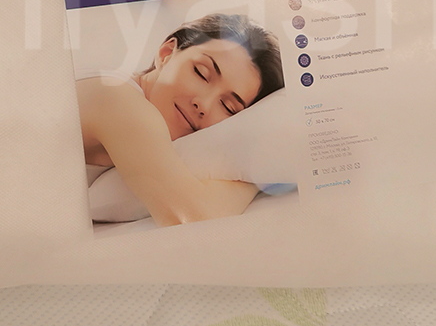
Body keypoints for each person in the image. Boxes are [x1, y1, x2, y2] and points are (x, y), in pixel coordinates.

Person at [78, 13, 283, 227]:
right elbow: (195, 221)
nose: (203, 104)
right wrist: (253, 180)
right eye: (201, 73)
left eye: (228, 106)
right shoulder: (118, 99)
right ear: (166, 54)